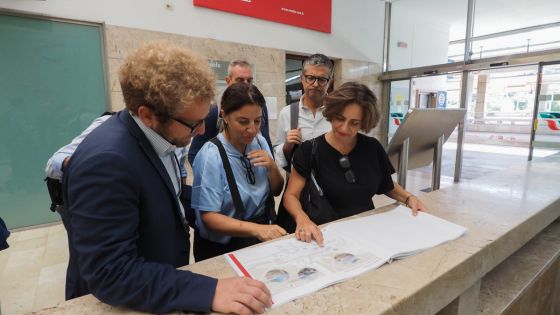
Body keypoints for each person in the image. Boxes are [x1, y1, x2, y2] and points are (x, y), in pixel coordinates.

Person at [62, 42, 272, 314]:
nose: (201, 131)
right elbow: (110, 273)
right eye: (193, 124)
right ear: (148, 115)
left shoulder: (158, 134)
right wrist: (209, 290)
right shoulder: (107, 161)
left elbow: (161, 194)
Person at [282, 82, 428, 246]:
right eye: (340, 119)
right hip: (324, 235)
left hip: (365, 231)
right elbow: (290, 196)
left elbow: (386, 184)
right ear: (331, 113)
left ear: (364, 123)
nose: (344, 128)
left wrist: (409, 198)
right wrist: (302, 218)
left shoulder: (372, 147)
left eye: (354, 123)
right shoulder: (309, 150)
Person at [192, 82, 286, 261]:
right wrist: (258, 229)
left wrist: (273, 168)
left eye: (257, 121)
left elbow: (276, 190)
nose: (252, 129)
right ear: (224, 116)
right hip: (223, 246)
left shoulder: (259, 142)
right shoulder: (211, 155)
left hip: (257, 235)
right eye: (243, 122)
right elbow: (209, 217)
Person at [188, 60, 272, 166]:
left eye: (249, 80)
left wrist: (271, 166)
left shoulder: (260, 106)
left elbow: (266, 139)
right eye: (240, 80)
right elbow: (195, 154)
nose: (245, 85)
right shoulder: (213, 110)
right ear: (228, 81)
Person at [274, 53, 334, 171]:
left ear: (330, 82)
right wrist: (287, 146)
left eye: (322, 79)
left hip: (332, 184)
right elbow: (277, 152)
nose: (315, 84)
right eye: (311, 78)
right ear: (302, 78)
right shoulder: (287, 113)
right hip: (298, 185)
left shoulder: (338, 113)